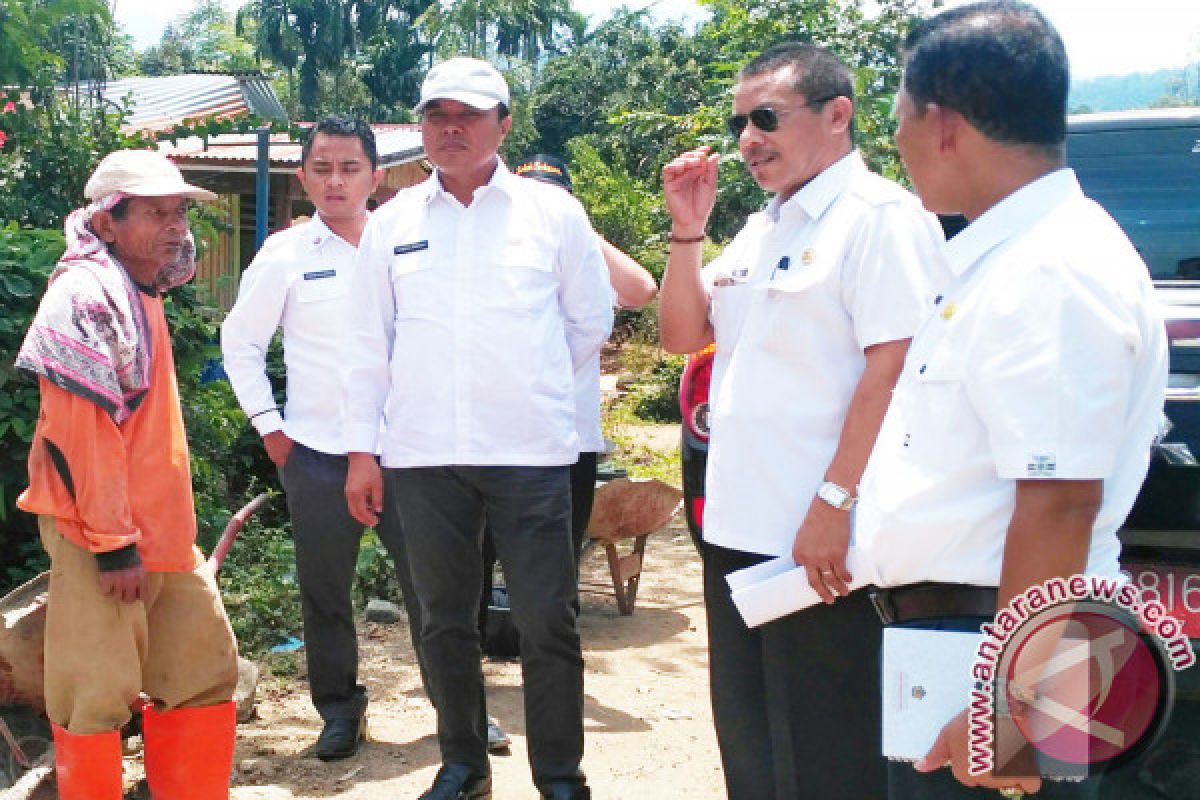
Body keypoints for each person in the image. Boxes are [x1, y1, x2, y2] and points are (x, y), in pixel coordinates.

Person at [853, 3, 1169, 797]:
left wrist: (1009, 704)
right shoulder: (1005, 258)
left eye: (898, 121)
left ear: (945, 125)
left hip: (1001, 647)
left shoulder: (1050, 269)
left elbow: (1058, 501)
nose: (895, 144)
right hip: (967, 642)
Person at [658, 42, 948, 800]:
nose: (748, 139)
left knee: (827, 749)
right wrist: (686, 231)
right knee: (750, 737)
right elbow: (684, 334)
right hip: (739, 533)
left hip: (820, 546)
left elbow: (894, 373)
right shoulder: (766, 226)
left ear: (837, 115)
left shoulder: (880, 220)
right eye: (740, 123)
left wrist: (834, 503)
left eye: (767, 118)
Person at [341, 58, 613, 800]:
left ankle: (559, 777)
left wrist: (528, 385)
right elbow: (368, 346)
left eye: (469, 114)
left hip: (529, 454)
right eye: (436, 115)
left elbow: (589, 321)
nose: (450, 128)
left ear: (505, 123)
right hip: (423, 458)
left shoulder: (552, 214)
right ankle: (463, 765)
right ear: (422, 125)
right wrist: (363, 453)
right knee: (441, 622)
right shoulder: (392, 222)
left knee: (546, 623)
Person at [15, 149, 239, 799]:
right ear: (107, 222)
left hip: (163, 533)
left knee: (200, 672)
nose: (175, 226)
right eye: (155, 212)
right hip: (101, 536)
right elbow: (81, 438)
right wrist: (113, 547)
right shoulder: (85, 296)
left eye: (178, 211)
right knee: (94, 695)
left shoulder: (142, 288)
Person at [221, 115, 416, 761]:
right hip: (319, 455)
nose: (336, 181)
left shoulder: (409, 244)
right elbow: (240, 342)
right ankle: (339, 710)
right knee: (325, 591)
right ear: (302, 177)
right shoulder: (285, 254)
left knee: (439, 584)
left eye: (350, 167)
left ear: (375, 176)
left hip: (410, 452)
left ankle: (461, 705)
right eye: (323, 168)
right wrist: (272, 432)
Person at [475, 154, 657, 752]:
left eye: (555, 196)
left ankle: (549, 687)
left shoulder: (578, 252)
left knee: (555, 573)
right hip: (489, 439)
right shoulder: (499, 254)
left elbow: (641, 289)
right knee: (474, 565)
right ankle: (471, 689)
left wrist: (575, 222)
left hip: (566, 444)